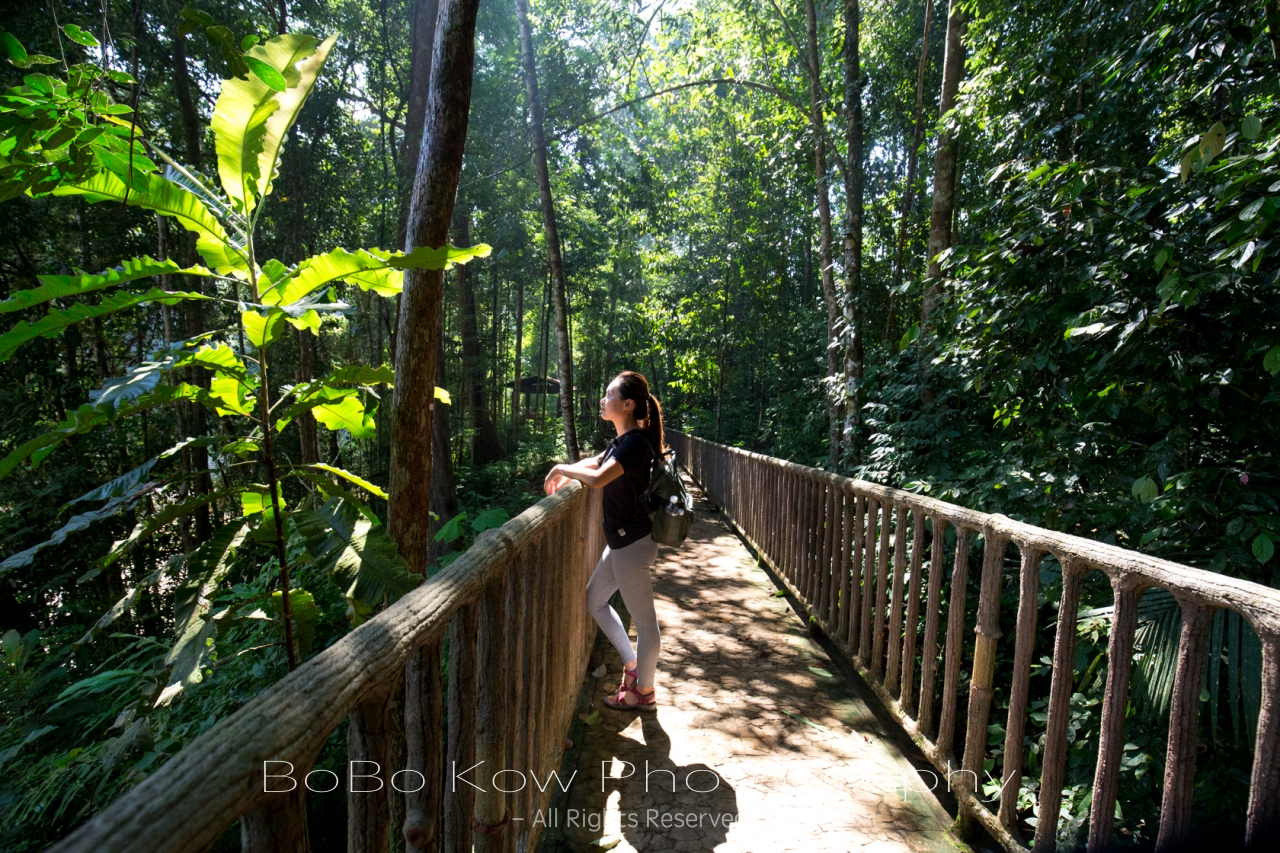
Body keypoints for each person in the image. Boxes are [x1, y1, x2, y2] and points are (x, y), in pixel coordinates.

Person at [543, 370, 666, 711]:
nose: (602, 400)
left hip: (632, 546)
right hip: (621, 542)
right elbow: (595, 462)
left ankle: (644, 691)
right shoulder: (622, 442)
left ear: (627, 404)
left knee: (645, 623)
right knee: (594, 600)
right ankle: (631, 666)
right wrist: (565, 468)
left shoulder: (635, 445)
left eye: (608, 395)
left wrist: (563, 470)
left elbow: (597, 478)